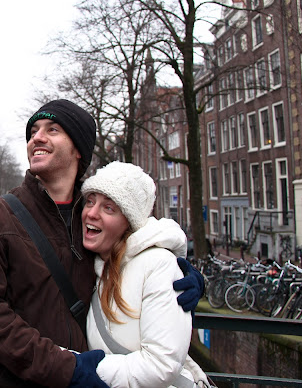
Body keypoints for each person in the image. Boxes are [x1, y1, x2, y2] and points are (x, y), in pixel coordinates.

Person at [0, 99, 204, 387]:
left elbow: (138, 249)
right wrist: (66, 369)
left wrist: (180, 277)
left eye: (52, 129)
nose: (37, 137)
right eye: (33, 131)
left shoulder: (91, 222)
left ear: (78, 150)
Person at [80, 161, 208, 387]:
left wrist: (79, 368)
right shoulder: (97, 264)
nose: (91, 213)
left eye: (108, 207)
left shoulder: (157, 265)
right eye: (90, 201)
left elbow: (161, 364)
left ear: (129, 222)